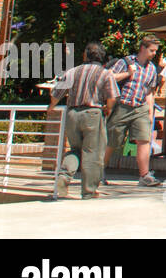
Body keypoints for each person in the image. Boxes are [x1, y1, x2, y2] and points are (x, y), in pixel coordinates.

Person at [46, 42, 118, 199]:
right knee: (92, 153)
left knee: (75, 150)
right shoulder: (105, 74)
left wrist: (51, 107)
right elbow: (112, 97)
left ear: (86, 55)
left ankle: (63, 178)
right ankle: (89, 191)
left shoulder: (73, 72)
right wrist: (108, 109)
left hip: (72, 114)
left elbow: (56, 94)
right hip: (93, 114)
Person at [104, 35, 166, 187]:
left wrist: (151, 113)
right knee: (113, 141)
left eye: (155, 51)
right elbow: (109, 78)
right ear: (143, 48)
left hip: (140, 108)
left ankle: (144, 175)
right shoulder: (125, 62)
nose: (153, 54)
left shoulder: (151, 68)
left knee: (144, 140)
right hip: (122, 106)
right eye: (151, 50)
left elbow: (149, 92)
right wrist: (127, 74)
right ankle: (98, 171)